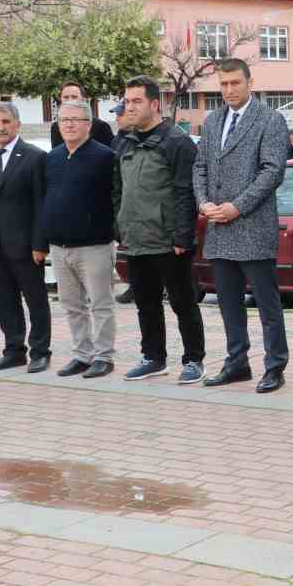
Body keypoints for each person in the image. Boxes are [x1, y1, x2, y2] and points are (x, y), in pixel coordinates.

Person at [193, 58, 291, 392]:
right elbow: (200, 167)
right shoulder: (212, 121)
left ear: (250, 82)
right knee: (228, 302)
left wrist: (237, 207)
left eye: (235, 83)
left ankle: (275, 366)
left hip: (251, 226)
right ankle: (237, 363)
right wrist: (203, 202)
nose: (229, 90)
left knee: (266, 304)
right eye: (223, 84)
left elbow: (272, 172)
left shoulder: (270, 119)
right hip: (218, 228)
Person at [112, 75, 206, 385]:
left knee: (182, 302)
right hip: (136, 238)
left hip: (169, 241)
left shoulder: (176, 142)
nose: (131, 107)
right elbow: (117, 189)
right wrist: (119, 225)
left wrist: (182, 235)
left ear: (155, 104)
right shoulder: (123, 140)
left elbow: (185, 192)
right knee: (146, 303)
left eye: (137, 101)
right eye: (127, 101)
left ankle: (194, 360)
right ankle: (153, 358)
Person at [0, 102, 51, 373]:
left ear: (16, 124)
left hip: (26, 245)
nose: (0, 128)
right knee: (5, 301)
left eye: (5, 121)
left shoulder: (34, 157)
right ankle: (14, 350)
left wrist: (40, 243)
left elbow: (41, 203)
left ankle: (40, 351)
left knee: (36, 300)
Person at [42, 100, 118, 378]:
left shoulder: (105, 157)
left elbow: (114, 199)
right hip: (60, 246)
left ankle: (104, 356)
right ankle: (82, 354)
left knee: (101, 304)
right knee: (72, 305)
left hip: (94, 245)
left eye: (76, 119)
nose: (70, 125)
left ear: (88, 124)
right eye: (64, 120)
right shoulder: (52, 157)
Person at [48, 81, 115, 147]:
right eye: (66, 97)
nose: (70, 100)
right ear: (61, 100)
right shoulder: (56, 127)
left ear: (83, 99)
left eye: (74, 97)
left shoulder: (101, 127)